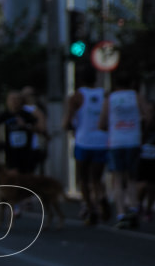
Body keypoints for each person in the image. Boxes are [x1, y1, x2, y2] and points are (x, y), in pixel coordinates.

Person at [100, 70, 147, 229]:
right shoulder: (136, 97)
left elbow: (102, 122)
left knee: (118, 179)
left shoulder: (110, 98)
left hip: (116, 141)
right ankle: (133, 208)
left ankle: (121, 214)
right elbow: (147, 116)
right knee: (132, 178)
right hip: (133, 140)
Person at [62, 69, 108, 225]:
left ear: (80, 80)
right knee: (97, 178)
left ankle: (91, 209)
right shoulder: (105, 95)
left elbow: (67, 121)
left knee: (83, 178)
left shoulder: (77, 96)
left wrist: (68, 127)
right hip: (102, 141)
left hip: (83, 142)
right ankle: (101, 197)